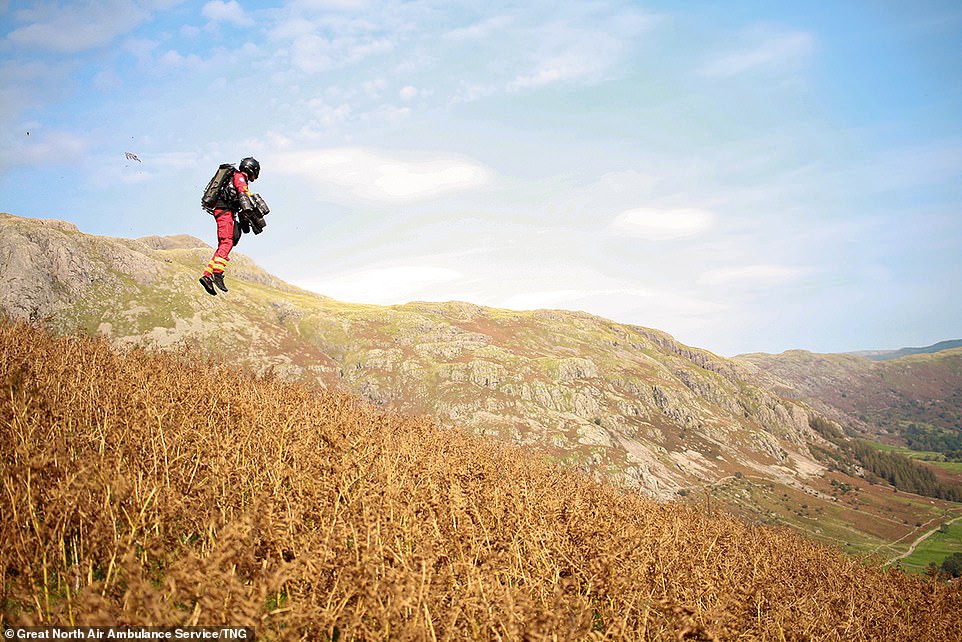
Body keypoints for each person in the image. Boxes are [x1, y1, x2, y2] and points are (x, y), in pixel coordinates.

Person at [199, 157, 260, 295]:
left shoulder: (235, 177)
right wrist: (249, 209)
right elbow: (242, 193)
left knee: (224, 244)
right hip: (224, 212)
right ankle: (217, 273)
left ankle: (207, 276)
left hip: (225, 212)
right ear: (251, 169)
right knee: (227, 242)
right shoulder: (239, 177)